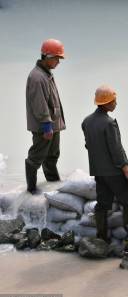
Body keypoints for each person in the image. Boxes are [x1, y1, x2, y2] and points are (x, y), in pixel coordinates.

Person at [81, 85, 128, 245]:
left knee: (103, 204)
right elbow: (116, 150)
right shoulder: (109, 123)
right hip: (114, 172)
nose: (116, 104)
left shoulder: (86, 122)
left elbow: (88, 145)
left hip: (98, 171)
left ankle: (102, 238)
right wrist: (126, 171)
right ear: (106, 103)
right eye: (113, 101)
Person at [25, 39, 66, 193]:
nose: (58, 62)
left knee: (52, 155)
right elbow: (39, 103)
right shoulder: (37, 77)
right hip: (44, 127)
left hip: (52, 125)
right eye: (57, 58)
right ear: (47, 56)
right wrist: (46, 125)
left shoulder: (46, 74)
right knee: (36, 157)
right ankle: (31, 189)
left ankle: (54, 184)